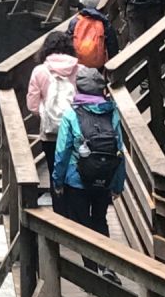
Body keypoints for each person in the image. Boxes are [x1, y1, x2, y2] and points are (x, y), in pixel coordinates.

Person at [52, 67, 126, 237]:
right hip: (104, 178)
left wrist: (58, 181)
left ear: (78, 88)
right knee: (100, 219)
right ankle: (104, 263)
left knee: (81, 225)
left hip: (77, 179)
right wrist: (117, 185)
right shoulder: (112, 113)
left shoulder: (71, 114)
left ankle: (89, 264)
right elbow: (119, 151)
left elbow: (62, 152)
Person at [25, 31, 79, 205]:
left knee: (54, 171)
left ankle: (60, 216)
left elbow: (32, 106)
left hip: (51, 133)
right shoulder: (81, 69)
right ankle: (77, 214)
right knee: (76, 169)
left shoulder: (39, 71)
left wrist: (45, 113)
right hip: (76, 132)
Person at [66, 0, 119, 69]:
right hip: (98, 67)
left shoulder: (75, 21)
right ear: (97, 1)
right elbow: (112, 46)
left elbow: (67, 43)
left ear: (81, 1)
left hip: (78, 66)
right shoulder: (104, 22)